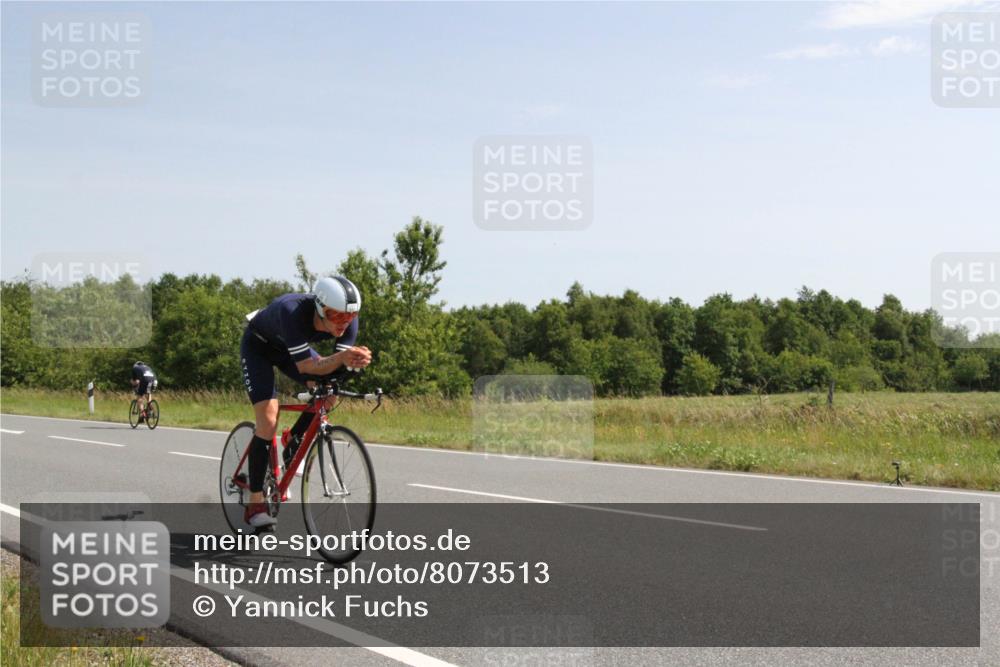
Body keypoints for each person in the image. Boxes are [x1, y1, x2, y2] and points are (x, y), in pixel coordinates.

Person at [240, 276, 372, 529]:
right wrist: (342, 357)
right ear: (321, 308)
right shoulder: (291, 311)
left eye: (350, 316)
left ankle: (293, 441)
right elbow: (309, 366)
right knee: (268, 421)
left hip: (291, 350)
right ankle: (255, 502)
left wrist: (352, 362)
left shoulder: (347, 322)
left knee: (328, 395)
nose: (343, 323)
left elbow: (333, 368)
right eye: (336, 315)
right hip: (259, 348)